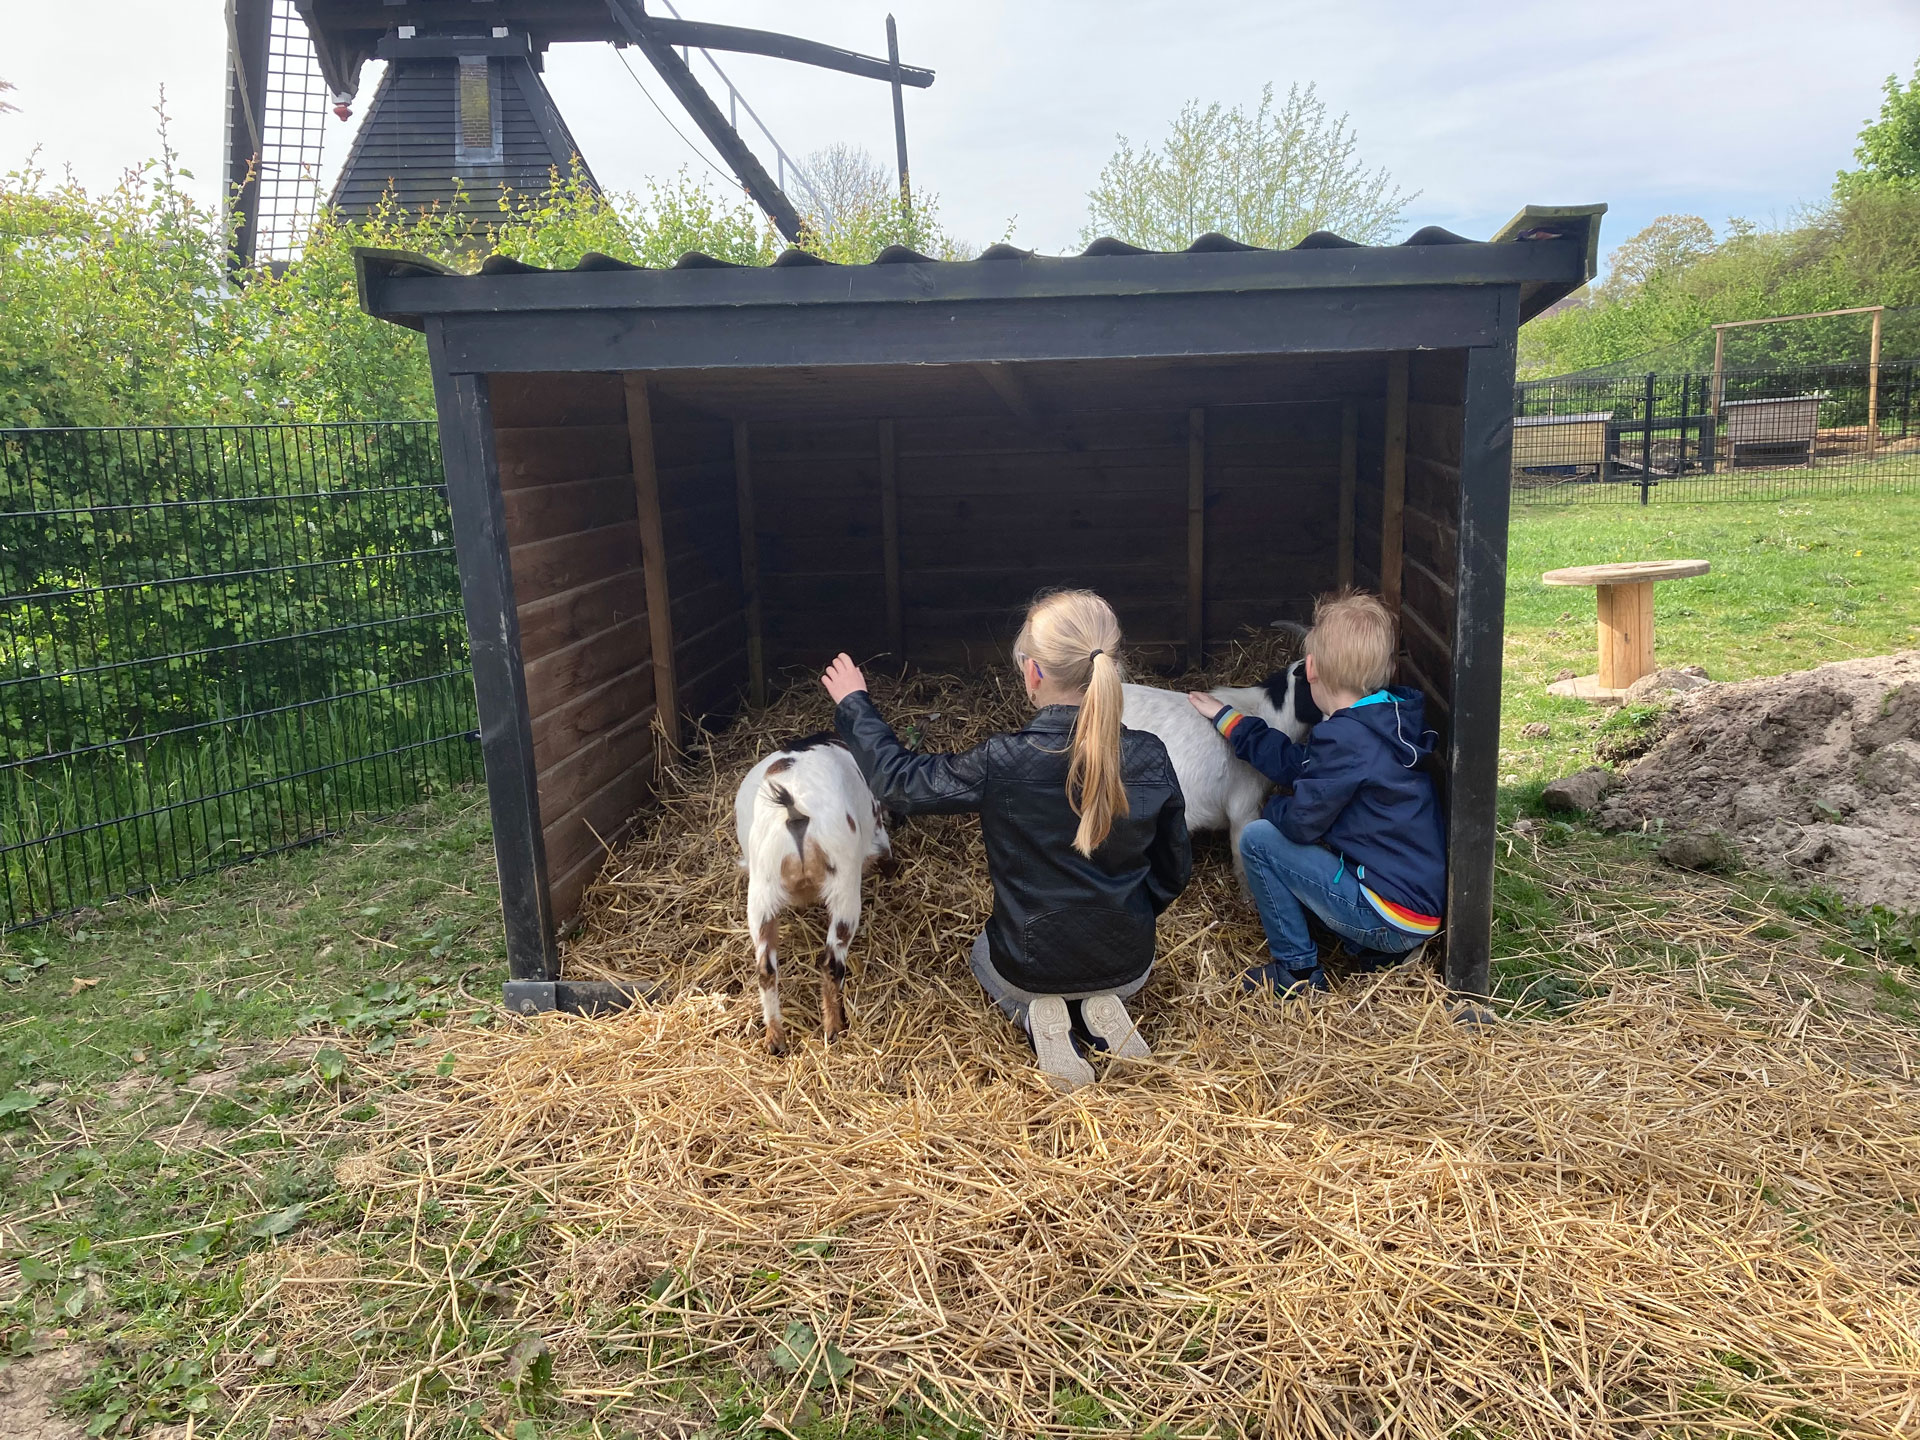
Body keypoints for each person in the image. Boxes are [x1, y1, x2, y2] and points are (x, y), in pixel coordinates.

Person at [821, 590, 1192, 1091]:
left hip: (1029, 964)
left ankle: (1037, 1015)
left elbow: (901, 783)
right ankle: (1101, 1007)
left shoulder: (1004, 760)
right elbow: (1174, 870)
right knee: (1100, 968)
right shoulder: (1150, 755)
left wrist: (854, 704)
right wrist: (1129, 913)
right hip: (1128, 962)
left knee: (981, 951)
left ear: (1033, 673)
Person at [1186, 589, 1445, 996]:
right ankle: (1373, 951)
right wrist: (1231, 720)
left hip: (1387, 915)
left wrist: (1271, 806)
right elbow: (1298, 765)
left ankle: (1296, 969)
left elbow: (1301, 824)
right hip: (1415, 907)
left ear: (1310, 669)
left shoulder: (1344, 740)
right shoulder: (1381, 722)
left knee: (1257, 838)